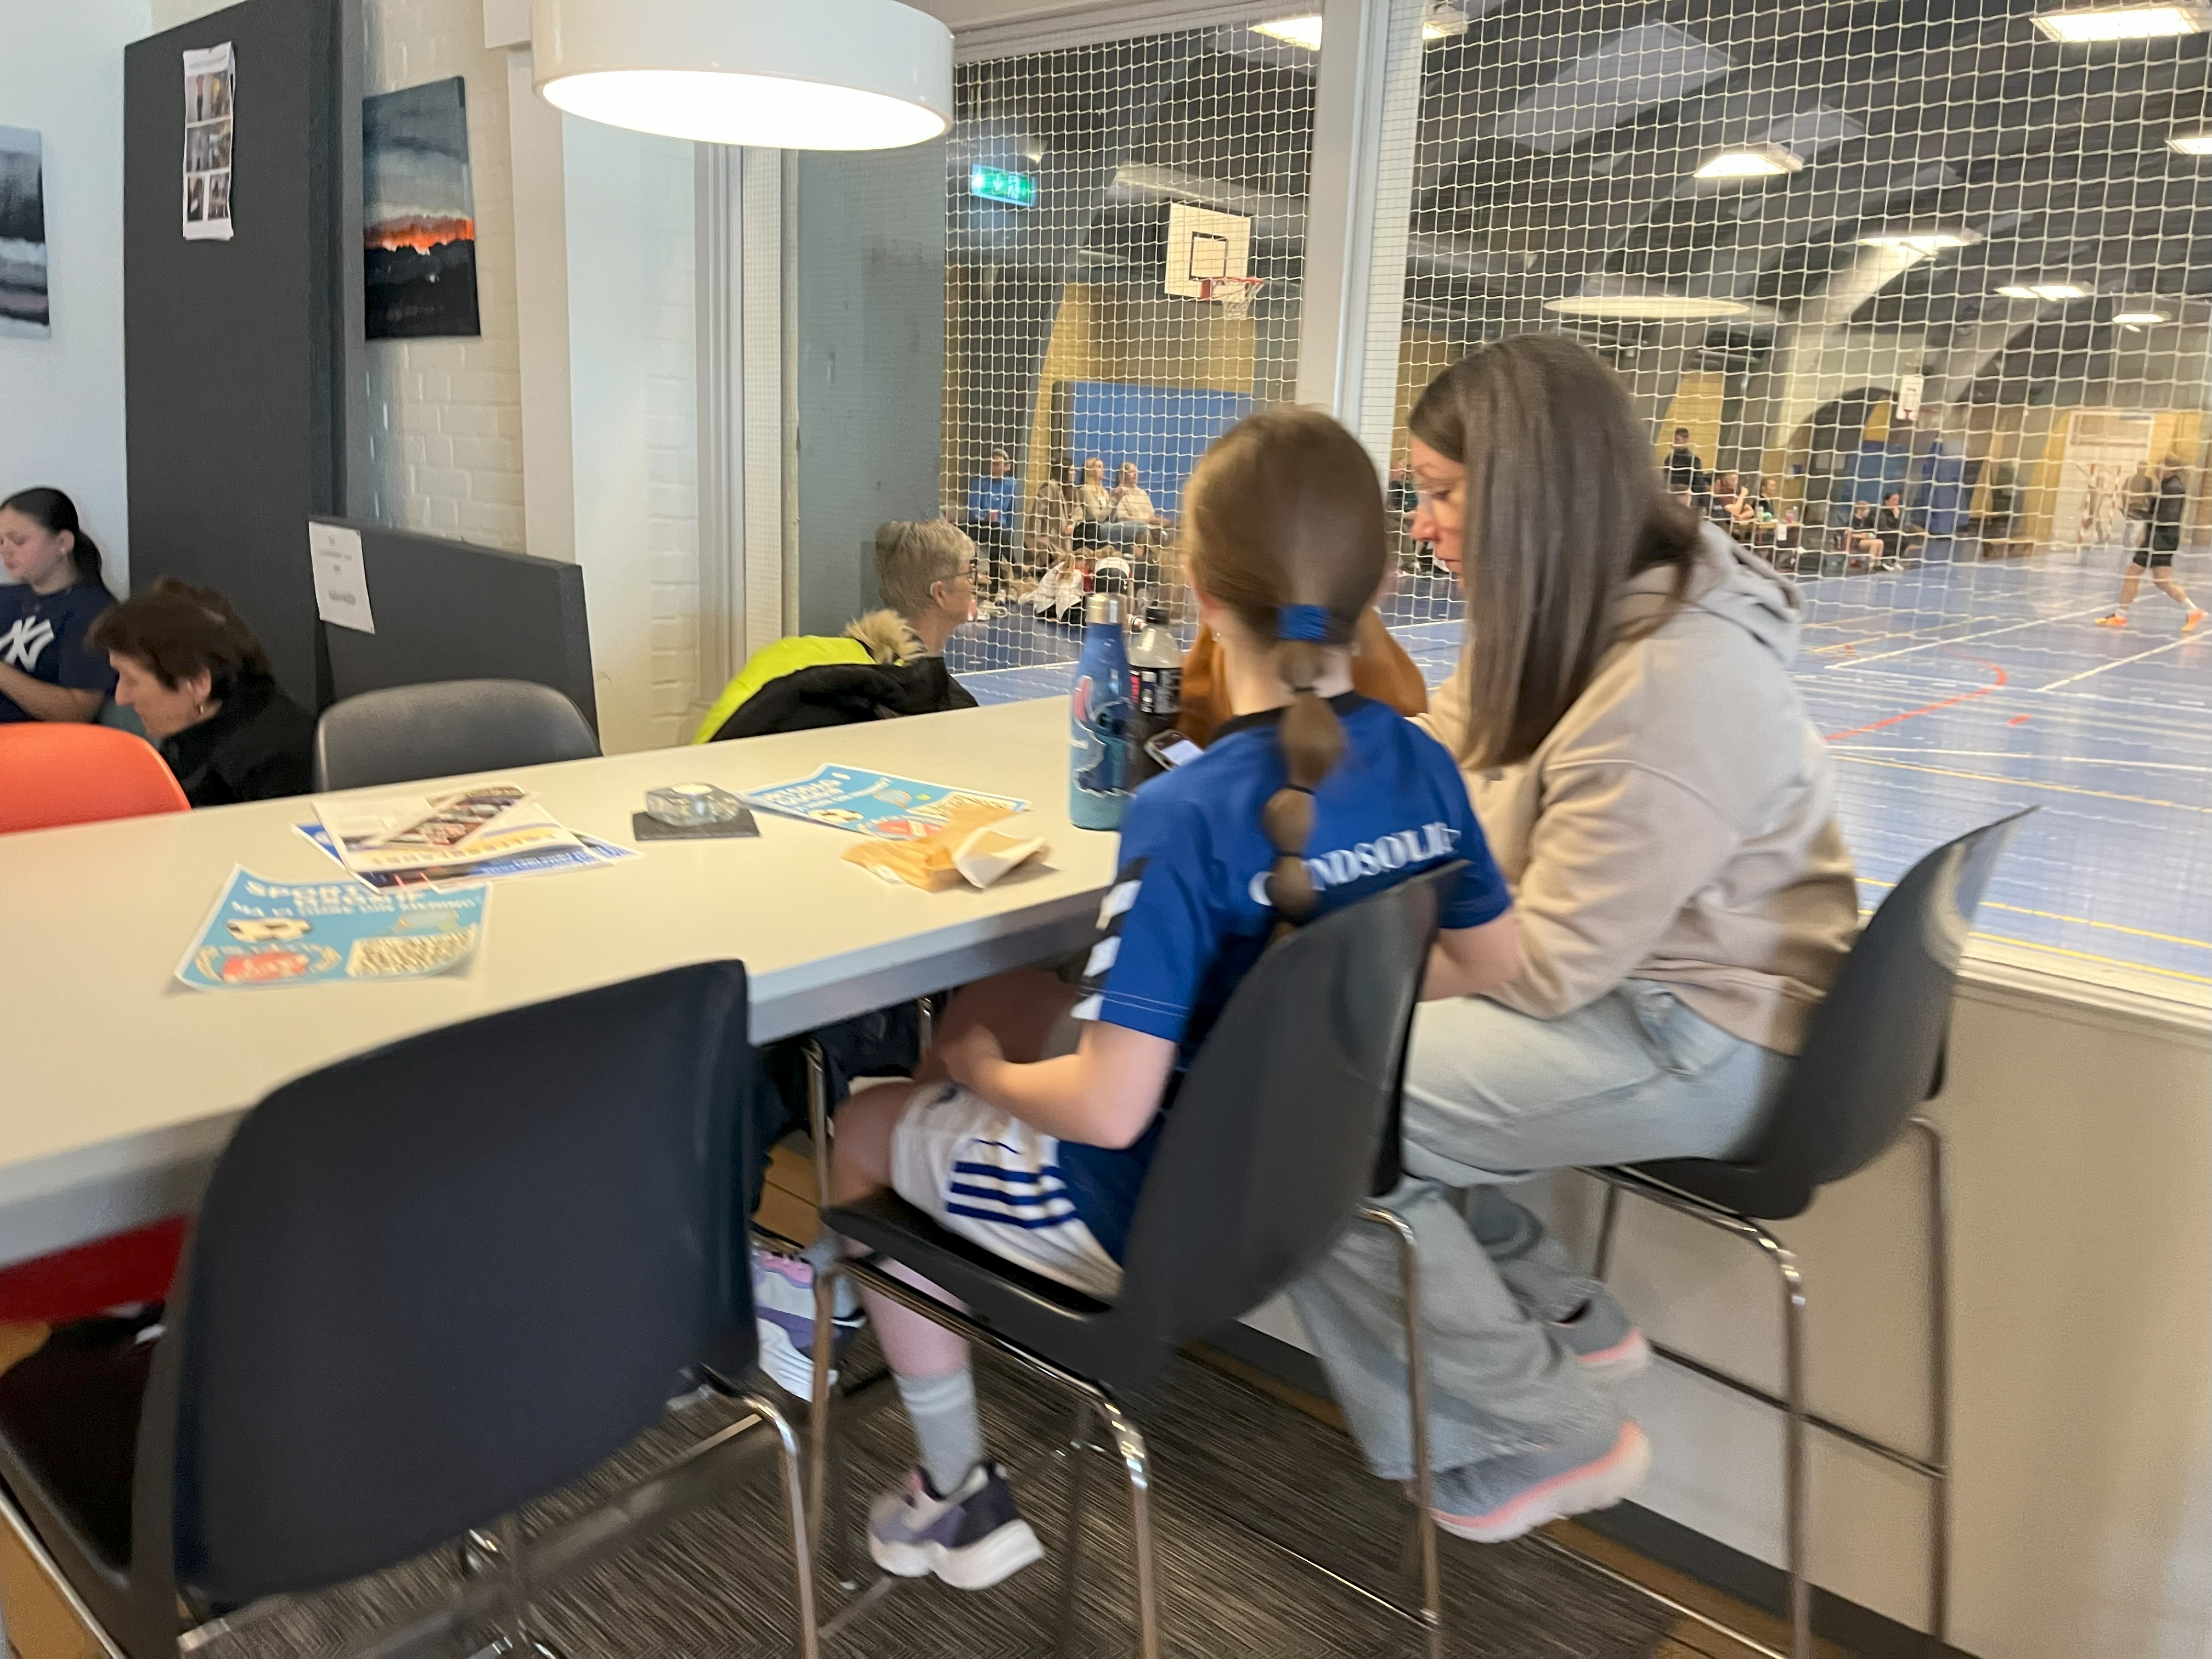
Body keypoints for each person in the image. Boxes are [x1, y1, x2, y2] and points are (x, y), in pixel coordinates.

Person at [819, 408, 1522, 1589]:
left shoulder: (1188, 812)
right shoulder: (1419, 762)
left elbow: (1106, 1108)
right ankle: (933, 1256)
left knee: (862, 1121)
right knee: (1002, 991)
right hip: (1294, 1195)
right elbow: (1489, 958)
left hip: (1132, 1213)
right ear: (1381, 581)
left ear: (1195, 590)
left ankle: (952, 1487)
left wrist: (984, 1070)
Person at [1284, 335, 1859, 1546]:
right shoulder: (1558, 617)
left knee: (1283, 1105)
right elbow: (1441, 759)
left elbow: (1545, 966)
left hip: (1699, 1033)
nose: (1422, 525)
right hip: (1636, 990)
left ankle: (1537, 1426)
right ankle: (1559, 1312)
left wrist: (1341, 965)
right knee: (1309, 1051)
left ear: (1529, 496)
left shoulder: (1671, 682)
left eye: (1440, 493)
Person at [692, 519, 978, 742]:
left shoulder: (792, 651)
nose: (979, 580)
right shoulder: (906, 696)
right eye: (971, 572)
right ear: (940, 593)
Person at [86, 579, 314, 807]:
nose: (121, 698)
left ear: (198, 683)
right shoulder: (196, 724)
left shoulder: (272, 764)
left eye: (132, 680)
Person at [0, 488, 116, 725]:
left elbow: (76, 712)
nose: (5, 550)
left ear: (62, 543)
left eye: (18, 540)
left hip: (42, 741)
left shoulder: (93, 610)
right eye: (1, 541)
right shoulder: (7, 597)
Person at [2099, 455, 2204, 630]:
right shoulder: (2167, 485)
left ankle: (2120, 616)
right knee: (2162, 581)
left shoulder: (2174, 488)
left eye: (2161, 466)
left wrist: (2142, 515)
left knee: (2133, 573)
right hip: (2162, 538)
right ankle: (2193, 611)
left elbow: (2167, 517)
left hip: (2160, 539)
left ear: (2171, 469)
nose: (2157, 469)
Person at [964, 449, 1019, 596]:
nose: (994, 467)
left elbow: (1011, 514)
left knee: (998, 533)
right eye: (992, 464)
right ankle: (1015, 566)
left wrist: (1008, 534)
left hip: (999, 531)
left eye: (998, 464)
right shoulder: (979, 483)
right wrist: (985, 516)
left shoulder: (1011, 485)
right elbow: (973, 509)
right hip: (979, 526)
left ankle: (995, 587)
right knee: (996, 530)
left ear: (1007, 467)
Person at [1662, 427, 1704, 496]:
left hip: (1687, 497)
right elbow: (1664, 479)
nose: (1674, 442)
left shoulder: (1693, 461)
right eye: (1674, 440)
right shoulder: (1669, 459)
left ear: (1685, 440)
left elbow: (1699, 484)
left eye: (1677, 439)